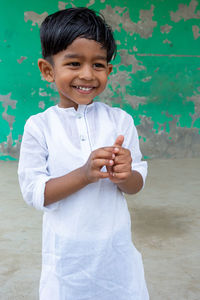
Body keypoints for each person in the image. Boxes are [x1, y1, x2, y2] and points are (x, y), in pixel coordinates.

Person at [18, 7, 149, 300]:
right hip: (67, 259)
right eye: (74, 63)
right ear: (48, 70)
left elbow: (136, 183)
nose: (88, 75)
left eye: (98, 65)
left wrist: (124, 176)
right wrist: (84, 174)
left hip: (115, 255)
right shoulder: (40, 128)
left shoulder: (120, 121)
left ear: (109, 70)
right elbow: (35, 193)